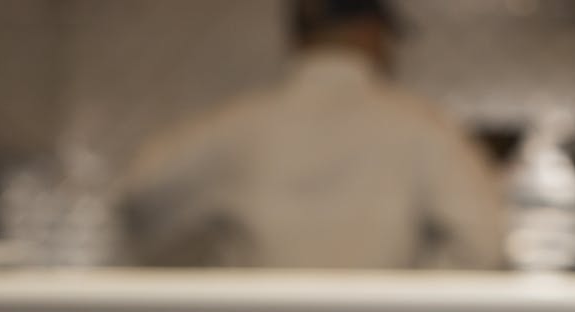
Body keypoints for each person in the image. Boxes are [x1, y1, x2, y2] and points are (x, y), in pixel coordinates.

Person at [122, 0, 503, 270]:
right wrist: (407, 299)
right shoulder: (425, 129)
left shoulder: (237, 128)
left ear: (297, 36)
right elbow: (483, 246)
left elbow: (139, 197)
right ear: (373, 32)